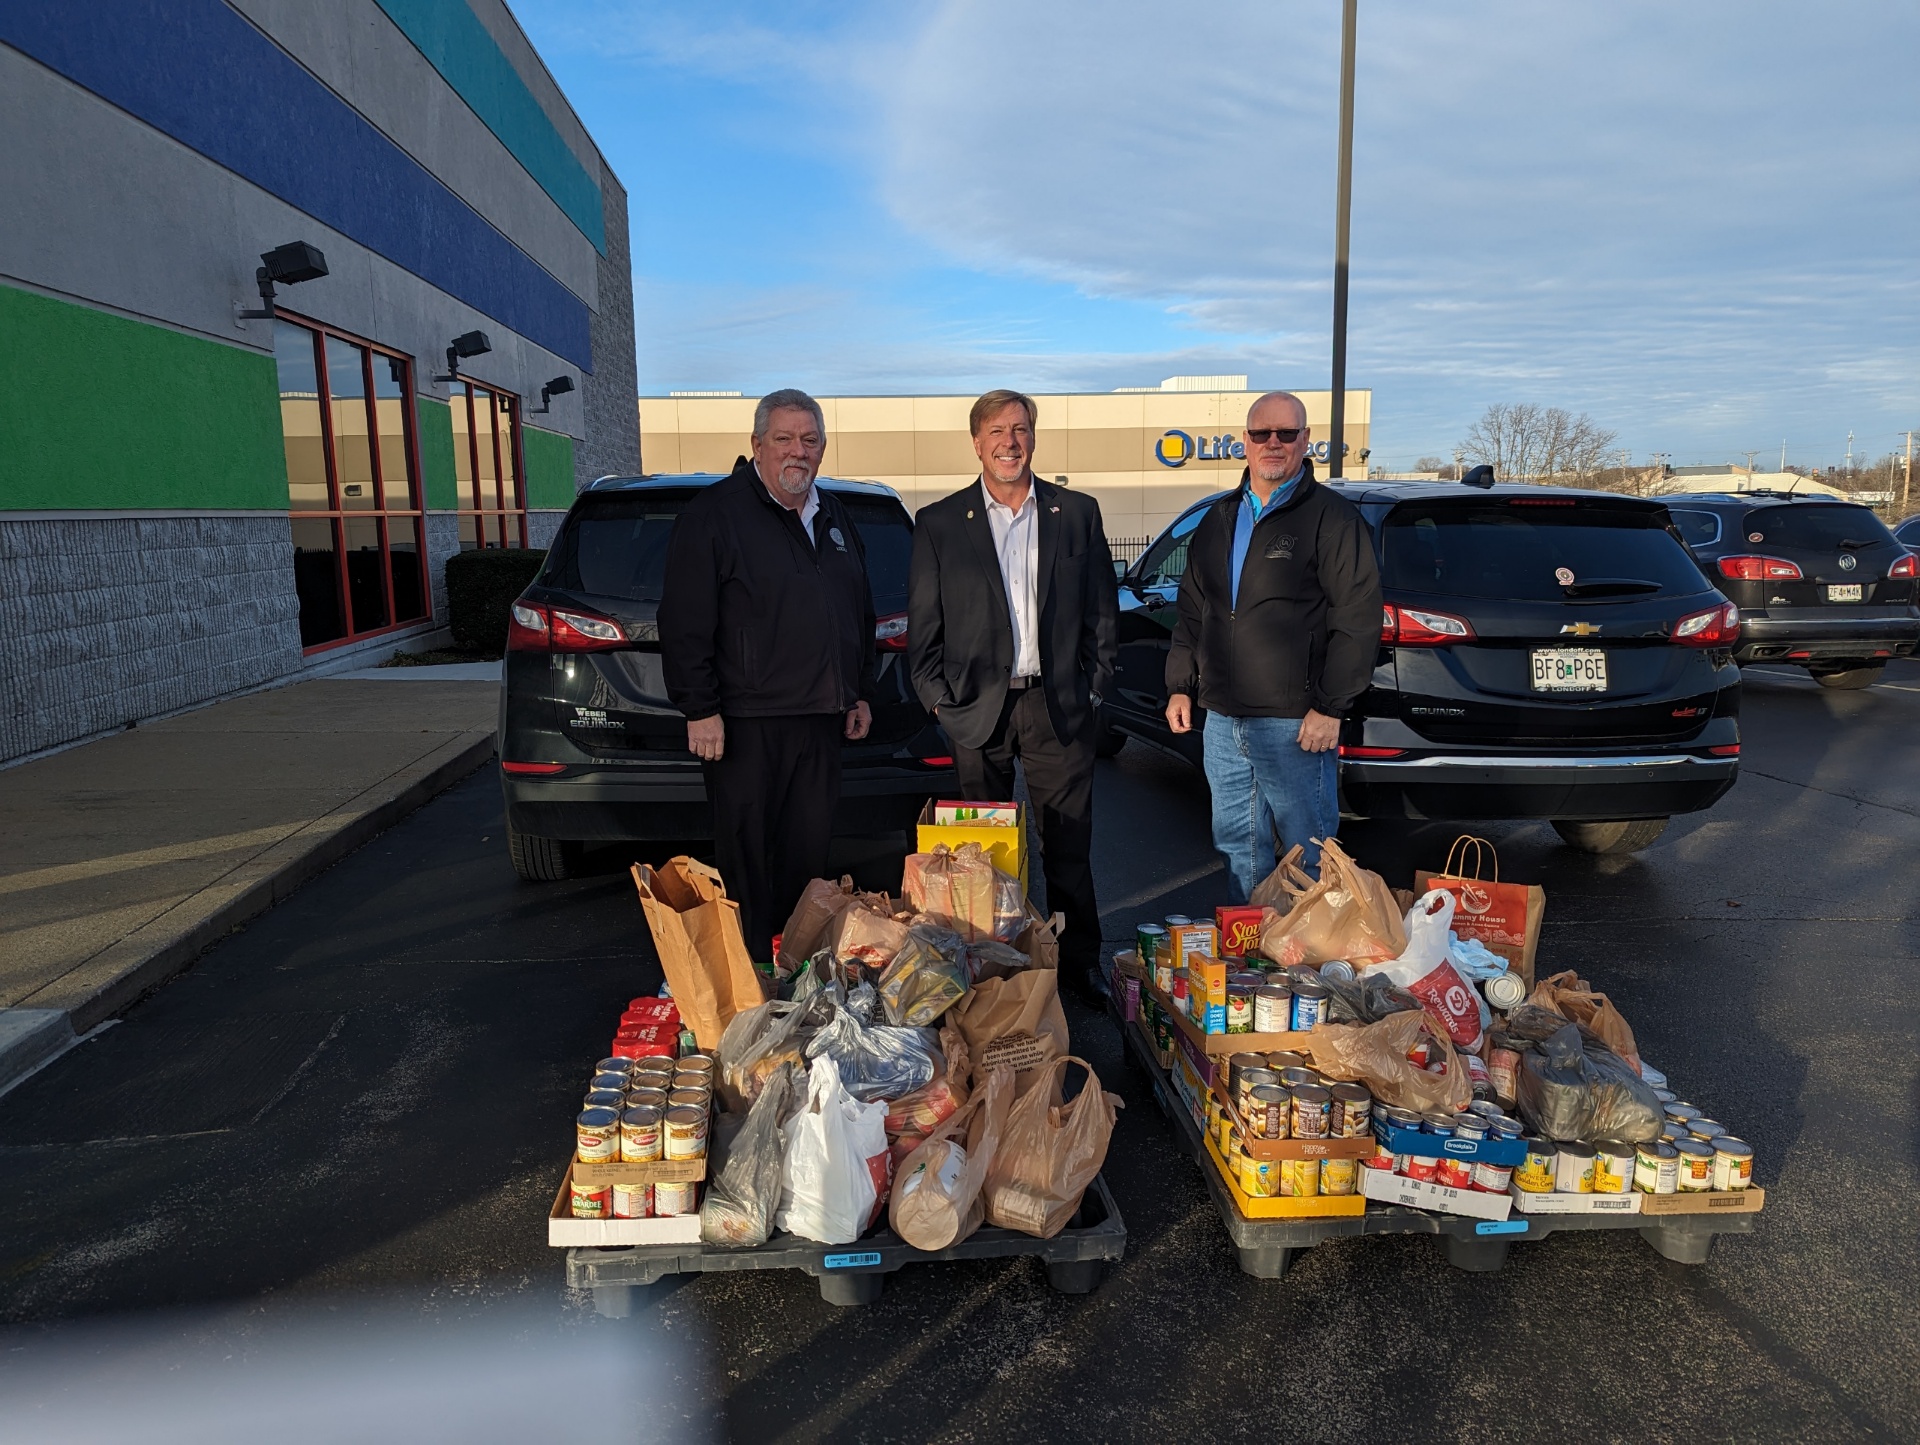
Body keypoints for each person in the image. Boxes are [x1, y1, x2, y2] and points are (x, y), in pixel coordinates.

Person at [907, 389, 1118, 999]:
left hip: (1058, 707)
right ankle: (993, 969)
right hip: (976, 712)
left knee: (1068, 849)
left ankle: (1079, 965)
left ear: (1034, 437)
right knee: (985, 856)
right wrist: (939, 704)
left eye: (1020, 428)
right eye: (997, 430)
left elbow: (1104, 612)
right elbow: (924, 628)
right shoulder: (941, 524)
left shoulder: (1076, 513)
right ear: (976, 443)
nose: (1010, 441)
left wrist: (1097, 689)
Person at [658, 388, 875, 962]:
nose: (796, 452)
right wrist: (699, 707)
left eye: (808, 440)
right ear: (757, 445)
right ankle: (751, 978)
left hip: (820, 720)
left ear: (822, 449)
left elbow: (858, 611)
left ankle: (799, 971)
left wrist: (858, 692)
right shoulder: (715, 515)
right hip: (745, 723)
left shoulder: (833, 516)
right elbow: (684, 620)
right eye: (783, 439)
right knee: (748, 861)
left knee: (808, 859)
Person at [1163, 390, 1382, 901]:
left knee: (1309, 853)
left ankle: (1308, 967)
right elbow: (1194, 611)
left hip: (1295, 723)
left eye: (1287, 433)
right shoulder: (1218, 519)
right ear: (1245, 441)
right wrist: (1180, 686)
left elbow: (1356, 618)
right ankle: (1254, 964)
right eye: (1262, 433)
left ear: (1307, 441)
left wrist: (1330, 706)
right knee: (1240, 848)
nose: (1274, 444)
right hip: (1222, 719)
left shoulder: (1331, 518)